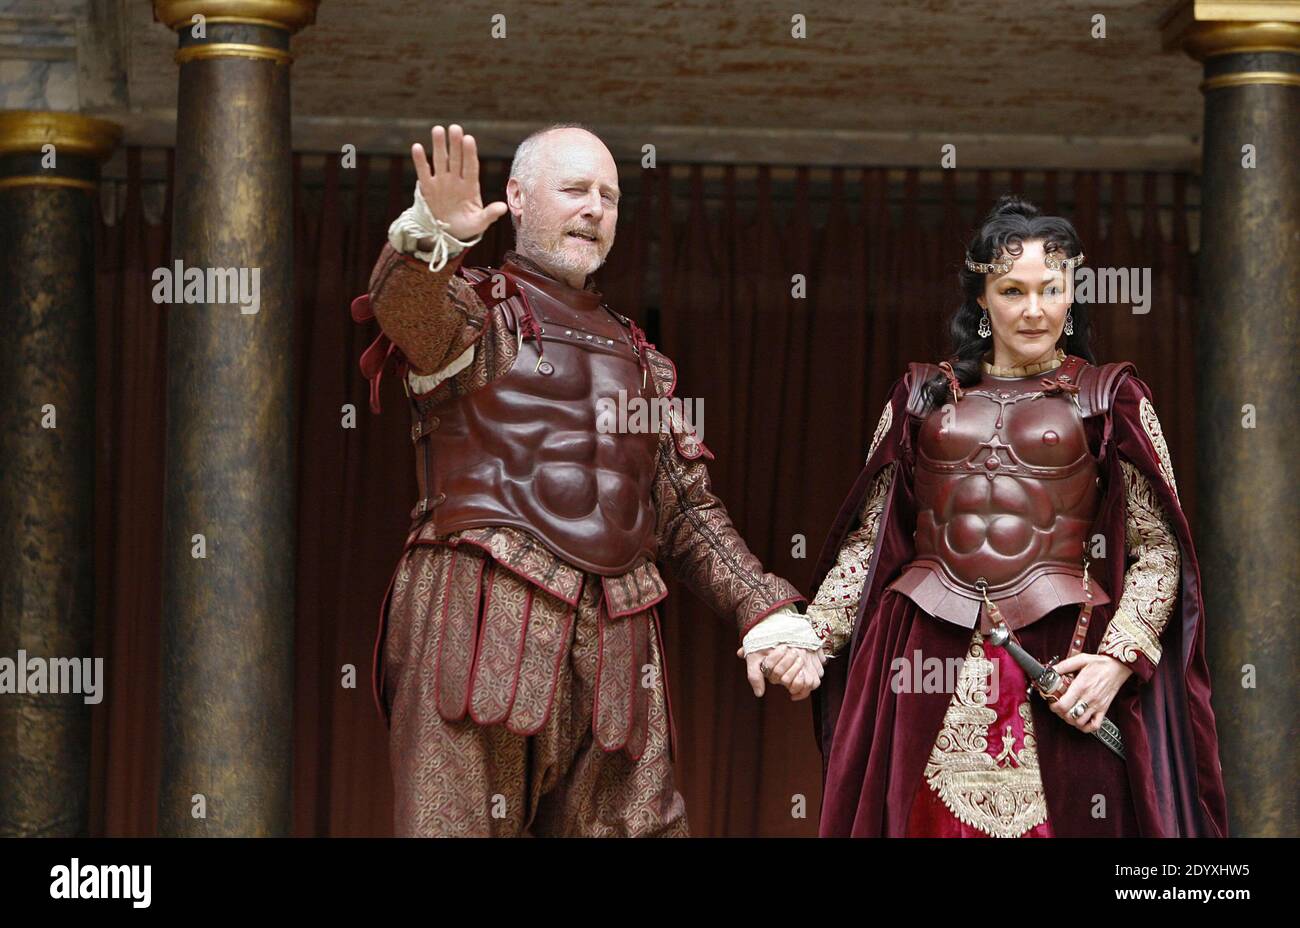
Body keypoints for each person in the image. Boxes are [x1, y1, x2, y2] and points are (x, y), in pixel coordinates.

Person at [351, 123, 824, 836]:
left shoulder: (639, 354)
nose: (595, 208)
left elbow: (685, 508)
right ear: (515, 197)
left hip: (616, 634)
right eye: (575, 189)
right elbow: (406, 310)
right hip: (478, 616)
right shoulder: (473, 311)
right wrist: (430, 240)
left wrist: (761, 605)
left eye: (609, 195)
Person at [806, 195, 1228, 837]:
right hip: (921, 647)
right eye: (1011, 290)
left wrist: (1118, 660)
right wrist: (811, 635)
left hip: (1066, 654)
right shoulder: (922, 394)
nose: (1033, 310)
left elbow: (1160, 548)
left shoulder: (1110, 398)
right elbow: (870, 541)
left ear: (1071, 293)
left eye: (1050, 290)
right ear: (982, 297)